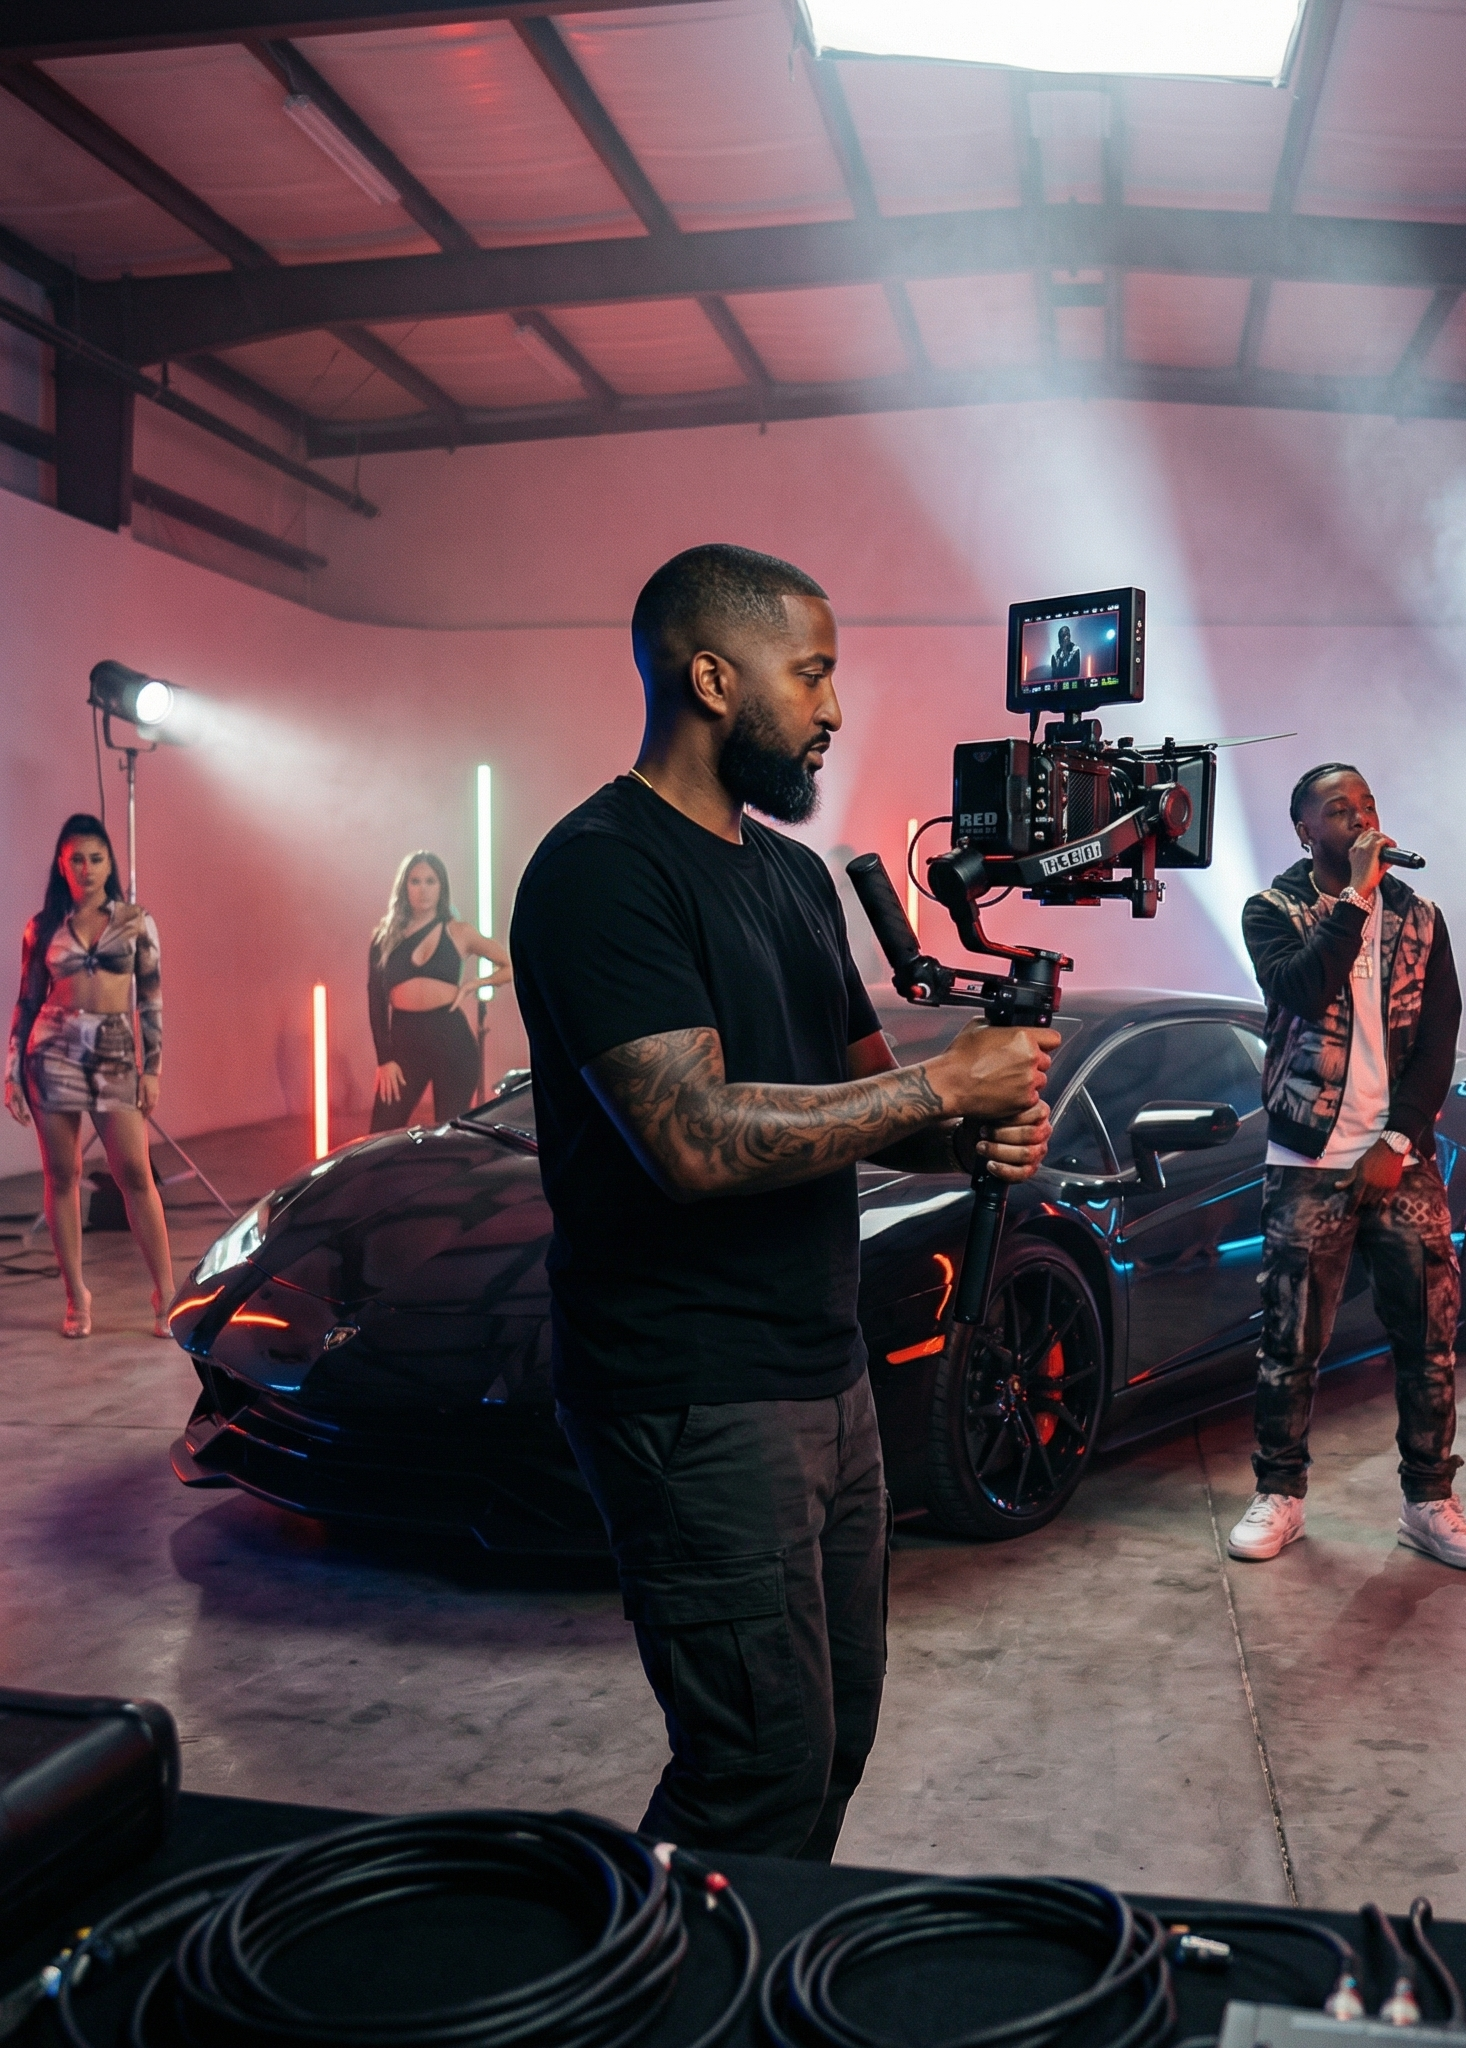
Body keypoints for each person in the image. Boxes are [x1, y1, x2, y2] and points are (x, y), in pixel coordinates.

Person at [510, 543, 1056, 1858]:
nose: (832, 709)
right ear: (712, 676)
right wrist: (942, 1095)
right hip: (688, 1389)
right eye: (811, 673)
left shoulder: (795, 881)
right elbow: (690, 1141)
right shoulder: (600, 870)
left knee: (832, 1743)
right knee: (753, 1769)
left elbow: (866, 1104)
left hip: (826, 1371)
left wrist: (976, 1120)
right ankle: (659, 1998)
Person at [1229, 763, 1466, 1570]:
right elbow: (1303, 993)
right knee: (1289, 1340)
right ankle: (1281, 1495)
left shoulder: (1421, 917)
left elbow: (1440, 1038)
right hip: (1307, 1155)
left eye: (1368, 805)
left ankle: (1429, 1502)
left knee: (1428, 1338)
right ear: (1305, 829)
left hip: (1399, 1158)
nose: (1360, 819)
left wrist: (1401, 1140)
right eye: (1339, 811)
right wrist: (1352, 900)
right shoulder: (1273, 910)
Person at [4, 813, 175, 1340]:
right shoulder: (42, 926)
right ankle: (76, 1295)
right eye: (76, 858)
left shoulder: (135, 921)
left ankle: (166, 1294)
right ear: (62, 863)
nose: (87, 867)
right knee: (62, 1175)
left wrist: (154, 1069)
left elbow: (149, 1000)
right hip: (51, 1054)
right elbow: (27, 1000)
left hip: (116, 1053)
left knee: (135, 1174)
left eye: (96, 857)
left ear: (109, 862)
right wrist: (12, 1072)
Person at [367, 850, 510, 1131]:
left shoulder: (459, 931)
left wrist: (474, 984)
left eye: (431, 881)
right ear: (404, 887)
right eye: (415, 881)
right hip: (404, 1041)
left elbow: (509, 964)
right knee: (379, 1136)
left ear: (442, 886)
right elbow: (375, 1000)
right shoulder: (385, 937)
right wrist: (385, 1060)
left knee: (450, 1136)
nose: (423, 890)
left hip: (452, 1039)